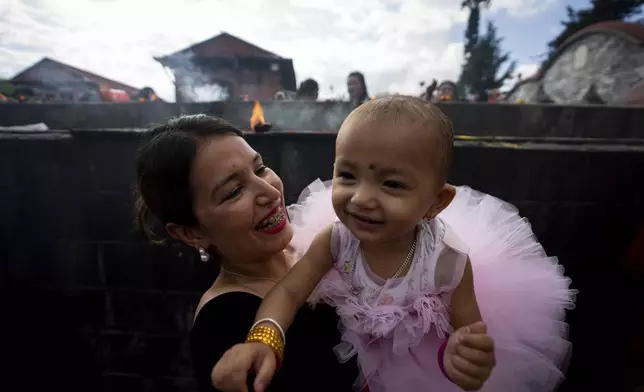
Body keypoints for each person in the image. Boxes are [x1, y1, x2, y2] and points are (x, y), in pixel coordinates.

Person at [211, 96, 576, 392]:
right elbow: (289, 292)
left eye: (393, 185)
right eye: (348, 176)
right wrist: (264, 338)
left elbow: (466, 333)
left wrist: (463, 360)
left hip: (416, 361)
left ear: (435, 202)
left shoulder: (448, 262)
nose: (361, 199)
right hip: (354, 350)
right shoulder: (337, 238)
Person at [133, 114, 359, 392]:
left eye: (260, 168)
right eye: (234, 191)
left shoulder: (316, 241)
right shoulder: (227, 324)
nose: (270, 192)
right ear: (190, 233)